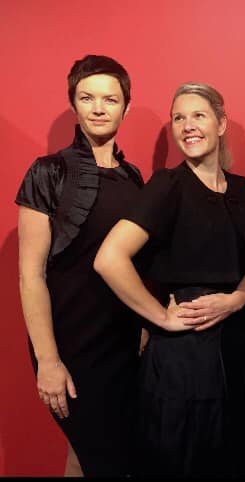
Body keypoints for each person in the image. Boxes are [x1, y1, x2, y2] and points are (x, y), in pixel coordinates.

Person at [94, 82, 245, 477]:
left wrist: (237, 299)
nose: (187, 125)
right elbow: (109, 259)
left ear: (221, 123)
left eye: (198, 115)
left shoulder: (241, 189)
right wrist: (161, 317)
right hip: (183, 356)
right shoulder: (167, 185)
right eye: (178, 118)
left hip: (238, 346)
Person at [15, 54, 143, 476]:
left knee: (91, 457)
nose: (99, 108)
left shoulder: (134, 177)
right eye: (87, 98)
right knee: (98, 456)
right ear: (74, 104)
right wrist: (48, 361)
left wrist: (145, 326)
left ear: (126, 105)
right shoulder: (48, 171)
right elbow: (30, 274)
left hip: (123, 346)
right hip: (71, 345)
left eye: (110, 98)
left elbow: (138, 264)